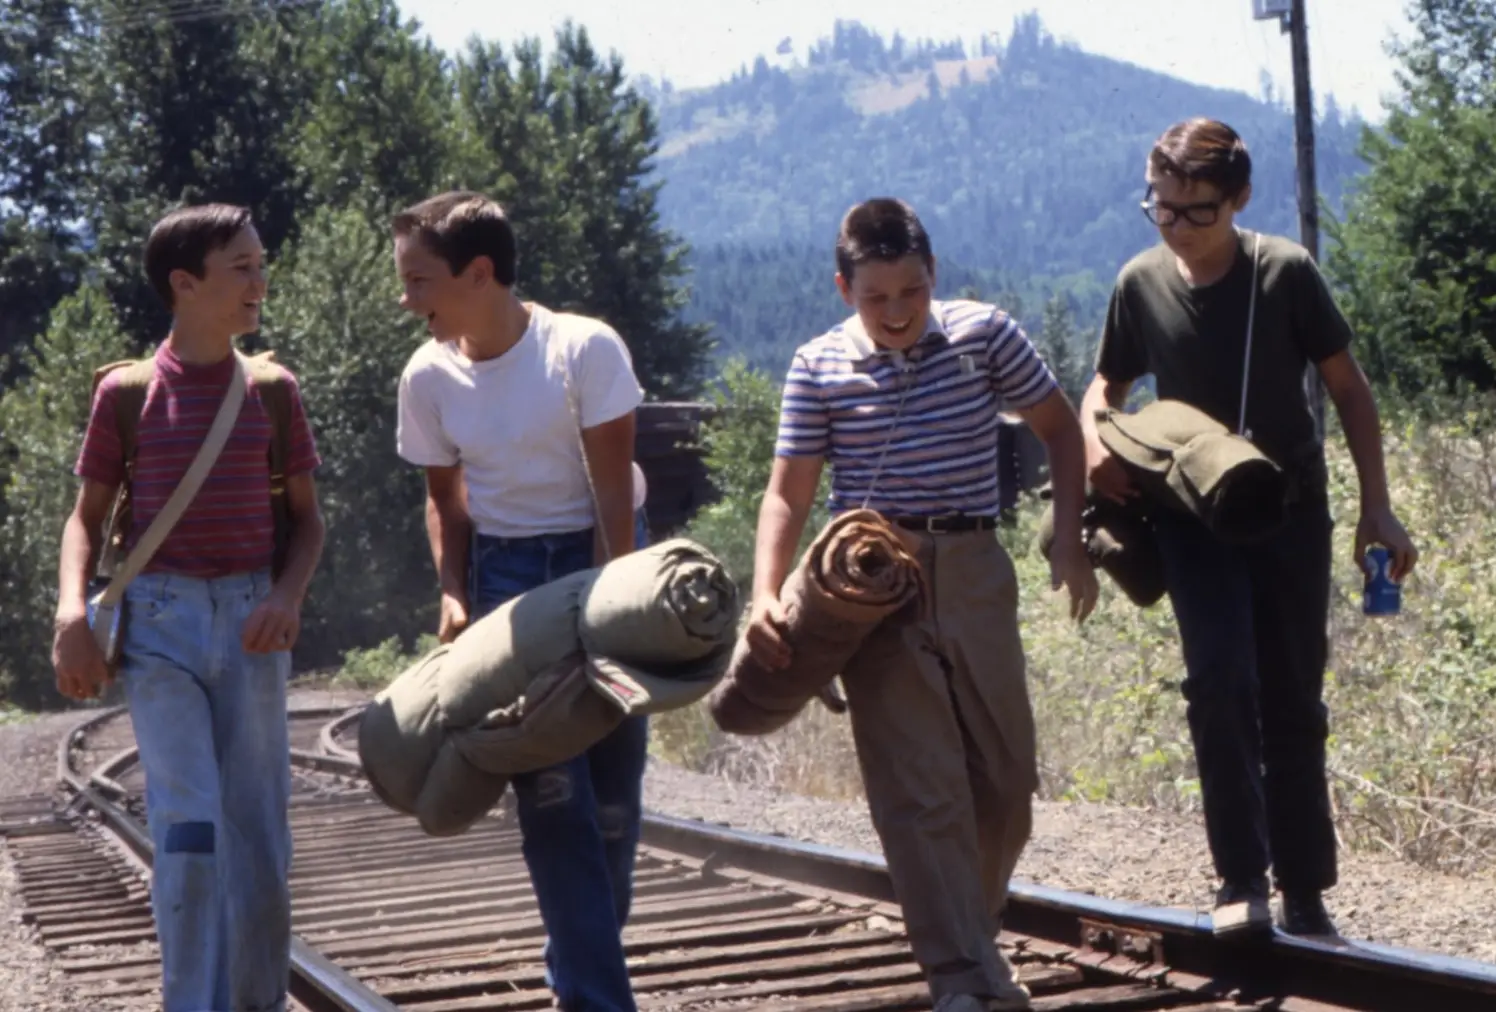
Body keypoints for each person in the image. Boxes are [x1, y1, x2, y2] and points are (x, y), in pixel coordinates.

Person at [745, 197, 1098, 1012]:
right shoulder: (817, 366)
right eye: (876, 298)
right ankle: (960, 976)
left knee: (1006, 780)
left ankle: (972, 939)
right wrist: (765, 594)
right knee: (922, 789)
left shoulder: (985, 337)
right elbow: (786, 493)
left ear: (932, 276)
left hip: (976, 565)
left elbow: (1060, 429)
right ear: (844, 290)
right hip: (875, 583)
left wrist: (1069, 540)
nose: (897, 312)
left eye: (910, 291)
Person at [1080, 118, 1419, 939]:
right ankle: (1242, 881)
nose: (1178, 228)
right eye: (1161, 209)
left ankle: (1306, 892)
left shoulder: (1285, 274)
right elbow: (1105, 386)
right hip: (1194, 522)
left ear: (1238, 199)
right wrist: (1095, 443)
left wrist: (1378, 506)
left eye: (1197, 212)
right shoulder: (1139, 283)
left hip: (1294, 514)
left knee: (1291, 699)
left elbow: (1350, 388)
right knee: (1219, 685)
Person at [50, 202, 326, 1012]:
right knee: (192, 830)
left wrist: (286, 595)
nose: (259, 281)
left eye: (260, 263)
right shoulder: (128, 395)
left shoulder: (274, 392)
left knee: (260, 840)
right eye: (241, 267)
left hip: (251, 624)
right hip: (160, 626)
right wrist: (72, 612)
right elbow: (86, 520)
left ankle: (255, 1002)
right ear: (184, 283)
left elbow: (308, 522)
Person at [392, 190, 650, 1012]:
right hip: (508, 582)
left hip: (603, 556)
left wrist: (617, 613)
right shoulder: (428, 376)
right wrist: (454, 593)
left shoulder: (582, 348)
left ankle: (580, 966)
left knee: (611, 802)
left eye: (419, 281)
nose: (407, 301)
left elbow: (613, 489)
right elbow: (446, 498)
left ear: (479, 274)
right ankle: (596, 1000)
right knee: (552, 801)